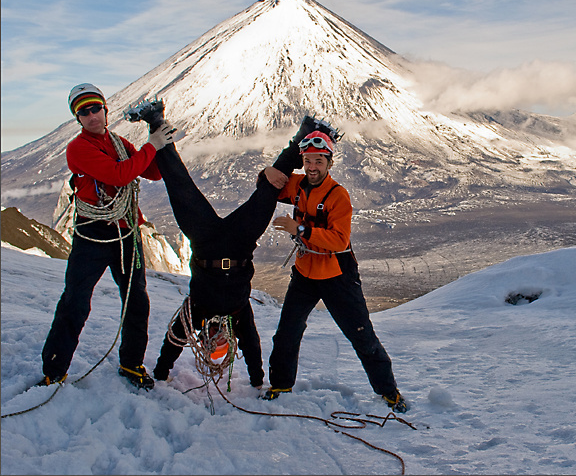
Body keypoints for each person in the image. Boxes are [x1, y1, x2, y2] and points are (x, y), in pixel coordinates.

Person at [123, 98, 337, 389]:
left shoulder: (194, 313)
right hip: (239, 244)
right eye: (222, 346)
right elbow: (252, 347)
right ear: (229, 342)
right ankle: (308, 133)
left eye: (212, 345)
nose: (217, 341)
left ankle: (155, 121)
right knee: (268, 190)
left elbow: (172, 342)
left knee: (180, 188)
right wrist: (257, 381)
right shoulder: (239, 316)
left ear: (204, 341)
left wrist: (161, 372)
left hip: (205, 242)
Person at [38, 83, 178, 390]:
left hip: (125, 230)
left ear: (105, 109)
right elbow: (119, 175)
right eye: (83, 112)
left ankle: (131, 362)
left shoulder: (118, 142)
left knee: (136, 301)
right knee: (76, 301)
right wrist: (152, 145)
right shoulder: (78, 148)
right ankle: (54, 369)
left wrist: (158, 136)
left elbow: (151, 173)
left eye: (95, 109)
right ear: (78, 118)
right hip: (93, 234)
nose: (91, 116)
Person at [265, 130, 409, 413]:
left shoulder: (337, 195)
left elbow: (339, 240)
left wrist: (300, 229)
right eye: (308, 161)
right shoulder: (297, 185)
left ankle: (389, 392)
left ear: (329, 163)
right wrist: (268, 170)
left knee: (361, 335)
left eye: (319, 161)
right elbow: (270, 182)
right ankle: (280, 385)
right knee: (287, 333)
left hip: (336, 276)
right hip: (305, 271)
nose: (312, 167)